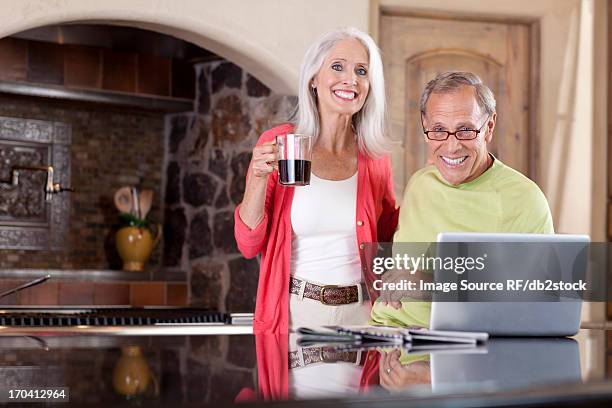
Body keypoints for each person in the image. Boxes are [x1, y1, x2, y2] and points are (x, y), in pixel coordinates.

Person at [234, 27, 399, 334]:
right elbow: (248, 244)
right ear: (313, 78)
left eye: (361, 71)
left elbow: (388, 237)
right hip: (295, 315)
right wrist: (257, 178)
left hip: (361, 316)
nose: (350, 79)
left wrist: (429, 190)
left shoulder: (374, 157)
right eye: (337, 66)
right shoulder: (281, 142)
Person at [370, 71, 554, 327]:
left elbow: (535, 303)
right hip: (380, 342)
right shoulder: (419, 183)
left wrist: (431, 284)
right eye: (438, 130)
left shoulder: (524, 200)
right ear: (425, 130)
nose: (452, 146)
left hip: (454, 354)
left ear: (489, 127)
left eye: (465, 130)